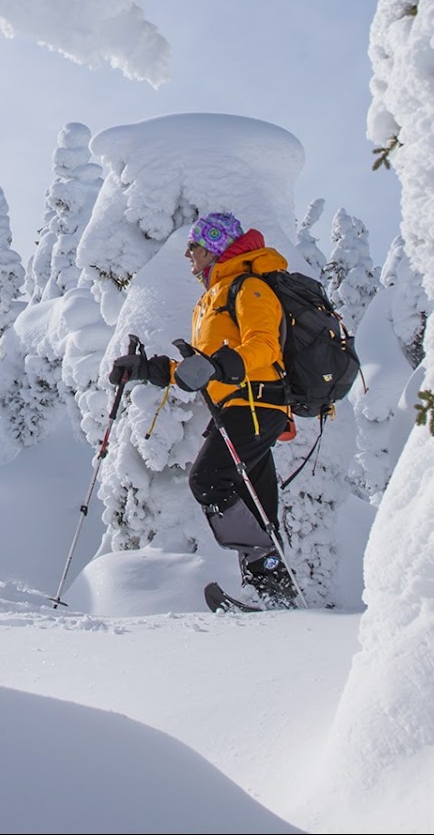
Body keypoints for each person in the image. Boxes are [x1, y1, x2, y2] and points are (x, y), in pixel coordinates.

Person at [110, 211, 299, 608]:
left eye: (194, 245)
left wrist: (221, 365)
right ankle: (274, 595)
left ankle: (267, 576)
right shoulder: (212, 299)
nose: (187, 253)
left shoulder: (249, 288)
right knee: (256, 503)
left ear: (214, 246)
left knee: (209, 480)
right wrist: (147, 369)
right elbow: (202, 370)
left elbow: (263, 345)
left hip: (255, 401)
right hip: (235, 406)